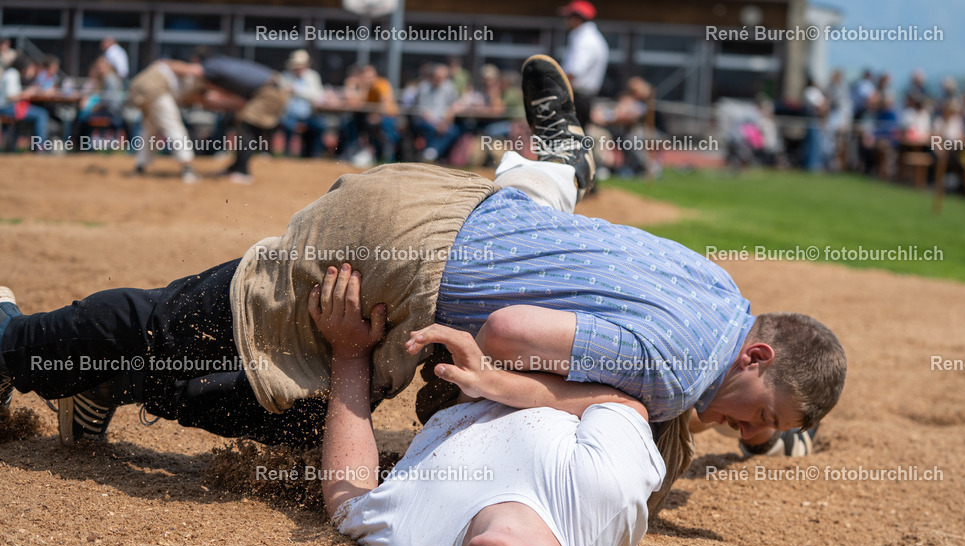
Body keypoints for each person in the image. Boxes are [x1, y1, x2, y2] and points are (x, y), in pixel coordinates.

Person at [0, 56, 843, 474]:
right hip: (399, 262)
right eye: (755, 414)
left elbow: (661, 357)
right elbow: (512, 331)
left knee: (309, 399)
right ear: (758, 356)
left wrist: (752, 422)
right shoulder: (671, 369)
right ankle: (16, 339)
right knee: (215, 352)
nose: (739, 427)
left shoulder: (720, 289)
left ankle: (560, 165)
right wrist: (594, 394)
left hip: (457, 204)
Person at [309, 266, 656, 546]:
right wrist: (493, 381)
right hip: (559, 366)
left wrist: (349, 353)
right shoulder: (604, 497)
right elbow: (625, 406)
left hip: (442, 383)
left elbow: (347, 502)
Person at [193, 51, 290, 183]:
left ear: (198, 59)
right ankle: (236, 167)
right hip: (269, 89)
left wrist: (166, 65)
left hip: (270, 91)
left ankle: (242, 172)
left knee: (246, 123)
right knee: (243, 123)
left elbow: (193, 71)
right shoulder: (222, 63)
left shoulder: (211, 65)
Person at [127, 58, 203, 183]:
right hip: (157, 88)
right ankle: (187, 168)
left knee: (149, 129)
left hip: (138, 86)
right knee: (173, 127)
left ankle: (140, 166)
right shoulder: (193, 72)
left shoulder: (181, 72)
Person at [558, 0, 607, 129]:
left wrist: (557, 93)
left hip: (578, 98)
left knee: (570, 140)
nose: (566, 20)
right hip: (580, 96)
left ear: (577, 18)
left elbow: (573, 71)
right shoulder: (589, 37)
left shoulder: (585, 39)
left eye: (568, 17)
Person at [279, 49, 326, 158]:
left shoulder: (313, 76)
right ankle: (286, 155)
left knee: (320, 126)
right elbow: (281, 95)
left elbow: (318, 96)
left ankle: (312, 155)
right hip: (288, 115)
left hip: (309, 116)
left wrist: (298, 91)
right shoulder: (284, 77)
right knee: (287, 125)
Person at [412, 63, 461, 162]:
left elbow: (453, 106)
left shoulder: (449, 87)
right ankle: (432, 154)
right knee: (431, 130)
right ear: (432, 76)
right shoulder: (423, 87)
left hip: (443, 121)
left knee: (453, 131)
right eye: (437, 77)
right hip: (426, 121)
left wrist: (446, 122)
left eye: (442, 78)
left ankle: (431, 153)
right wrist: (437, 124)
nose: (439, 80)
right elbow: (422, 110)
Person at [0, 55, 51, 149]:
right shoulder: (12, 74)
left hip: (7, 107)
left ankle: (16, 147)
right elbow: (10, 97)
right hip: (6, 108)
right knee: (41, 114)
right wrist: (28, 92)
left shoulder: (12, 73)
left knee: (36, 114)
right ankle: (40, 146)